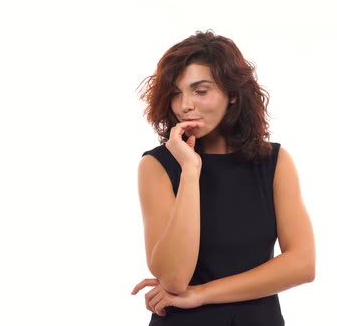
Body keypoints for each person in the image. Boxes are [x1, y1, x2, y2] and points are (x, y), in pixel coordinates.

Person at [131, 30, 315, 326]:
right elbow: (175, 277)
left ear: (232, 95)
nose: (185, 105)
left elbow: (303, 265)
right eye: (176, 93)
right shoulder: (157, 165)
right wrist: (190, 172)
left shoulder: (274, 162)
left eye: (200, 91)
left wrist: (203, 293)